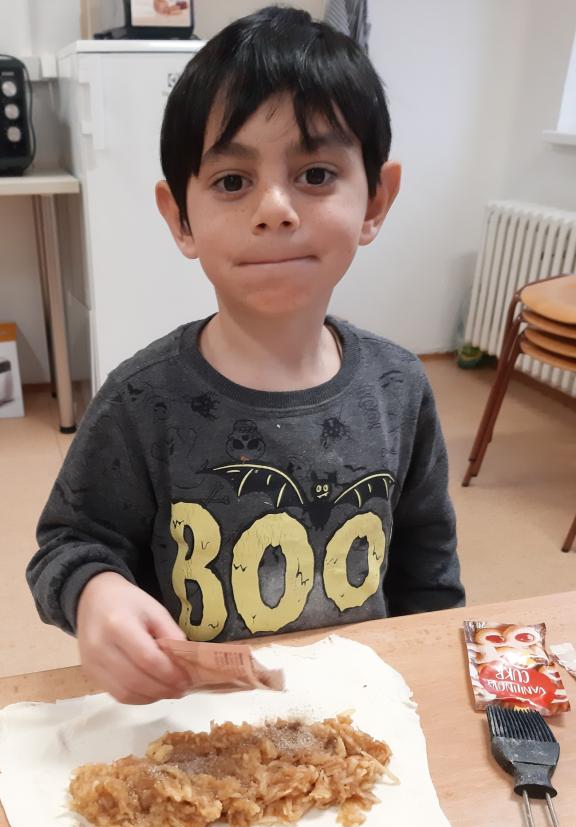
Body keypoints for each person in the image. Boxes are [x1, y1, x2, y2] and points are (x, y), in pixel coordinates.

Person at [27, 5, 464, 704]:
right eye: (232, 182)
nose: (274, 208)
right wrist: (96, 594)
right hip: (197, 722)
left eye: (316, 173)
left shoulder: (398, 386)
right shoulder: (143, 398)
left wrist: (434, 677)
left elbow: (429, 566)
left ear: (375, 201)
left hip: (361, 716)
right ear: (181, 217)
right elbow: (70, 543)